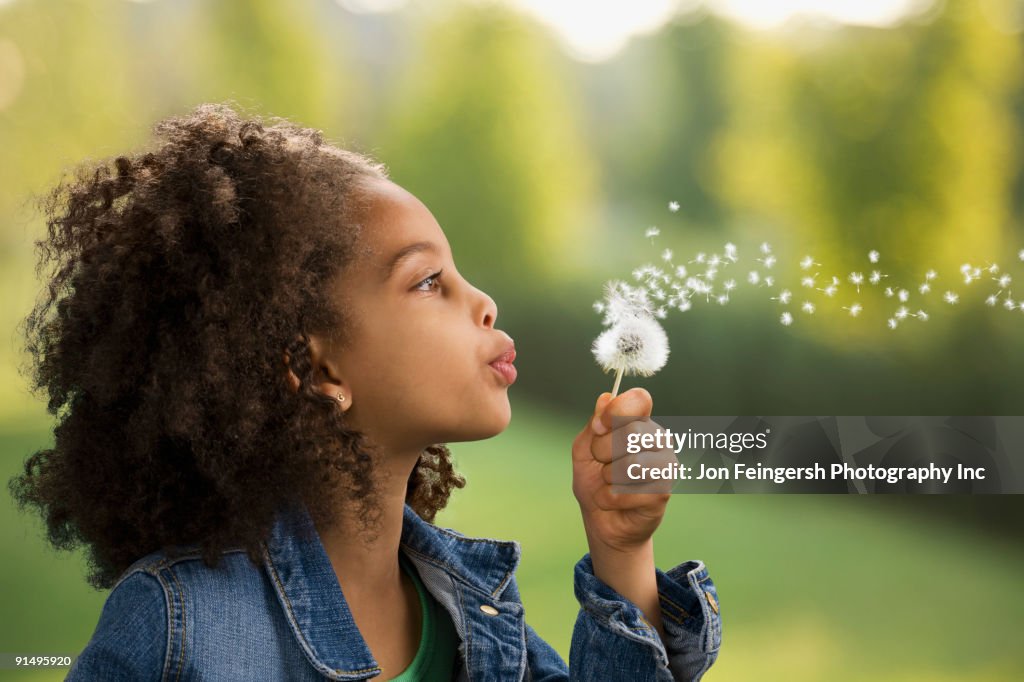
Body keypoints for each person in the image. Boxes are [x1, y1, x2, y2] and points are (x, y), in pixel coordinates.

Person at [10, 102, 721, 680]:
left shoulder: (478, 612)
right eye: (426, 282)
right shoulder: (179, 628)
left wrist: (619, 550)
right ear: (320, 372)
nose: (484, 303)